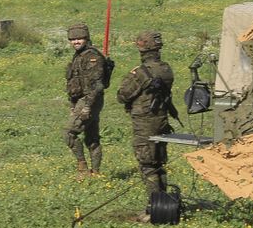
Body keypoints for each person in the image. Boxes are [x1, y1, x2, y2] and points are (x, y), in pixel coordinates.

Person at [116, 30, 175, 215]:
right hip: (162, 121)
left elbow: (123, 95)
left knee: (147, 166)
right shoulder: (166, 69)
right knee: (159, 163)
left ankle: (154, 209)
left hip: (144, 123)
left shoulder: (140, 72)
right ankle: (164, 205)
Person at [63, 22, 106, 176]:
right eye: (73, 39)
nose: (76, 42)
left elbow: (96, 86)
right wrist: (72, 105)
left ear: (86, 38)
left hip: (90, 100)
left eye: (79, 39)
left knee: (69, 133)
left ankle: (82, 167)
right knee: (92, 138)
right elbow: (74, 82)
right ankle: (95, 172)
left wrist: (87, 106)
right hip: (81, 100)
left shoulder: (92, 57)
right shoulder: (78, 56)